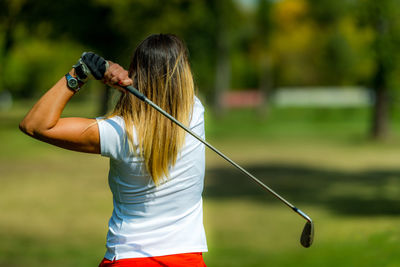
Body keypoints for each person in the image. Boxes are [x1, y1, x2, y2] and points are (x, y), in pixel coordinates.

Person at [19, 34, 208, 267]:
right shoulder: (196, 113)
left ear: (137, 73)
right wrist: (124, 84)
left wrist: (81, 72)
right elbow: (161, 98)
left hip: (128, 259)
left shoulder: (118, 132)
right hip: (188, 259)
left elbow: (36, 124)